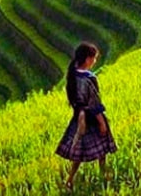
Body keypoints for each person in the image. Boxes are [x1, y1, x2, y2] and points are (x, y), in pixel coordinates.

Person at [55, 42, 117, 190]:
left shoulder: (73, 74)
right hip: (91, 118)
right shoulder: (89, 78)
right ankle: (102, 173)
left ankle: (70, 179)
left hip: (78, 117)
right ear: (88, 59)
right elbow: (94, 102)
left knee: (79, 153)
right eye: (94, 58)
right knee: (102, 147)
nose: (95, 61)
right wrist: (101, 122)